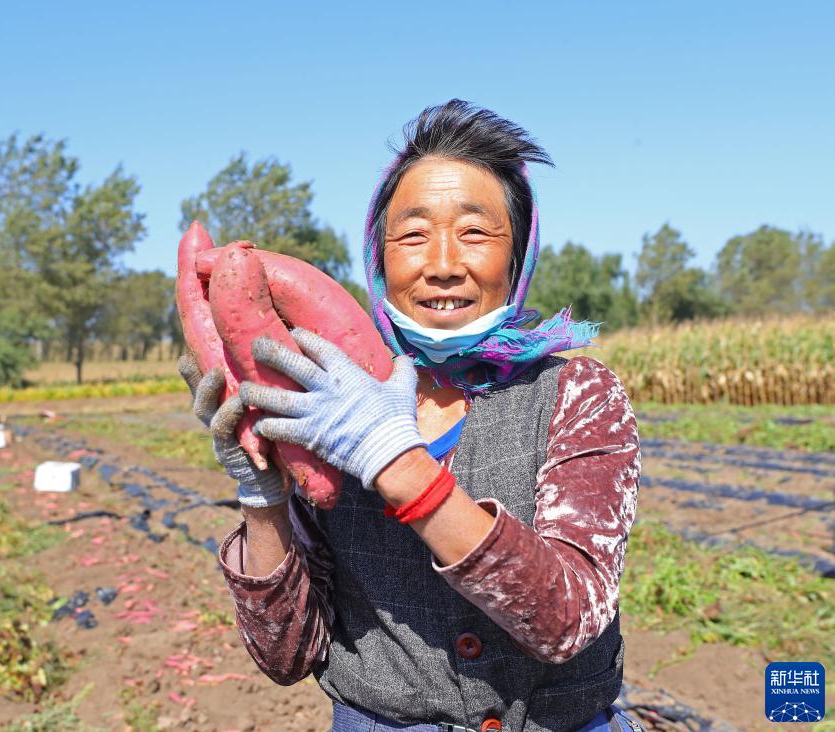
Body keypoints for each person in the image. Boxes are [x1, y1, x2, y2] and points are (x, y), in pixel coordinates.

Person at [179, 100, 642, 732]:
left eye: (475, 233)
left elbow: (568, 620)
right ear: (380, 256)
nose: (443, 264)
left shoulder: (578, 393)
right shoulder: (321, 398)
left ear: (517, 256)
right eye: (414, 235)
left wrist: (393, 460)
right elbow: (286, 656)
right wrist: (263, 496)